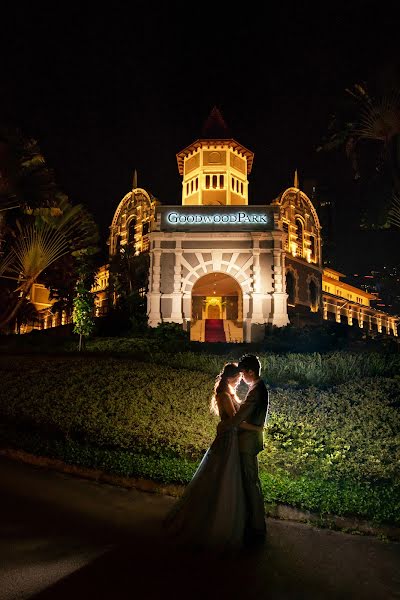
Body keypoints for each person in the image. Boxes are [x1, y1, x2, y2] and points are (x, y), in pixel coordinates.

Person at [163, 362, 263, 553]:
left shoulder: (230, 393)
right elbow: (235, 422)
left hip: (231, 437)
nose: (240, 381)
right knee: (222, 474)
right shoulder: (224, 395)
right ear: (231, 378)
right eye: (238, 378)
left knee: (224, 474)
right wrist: (257, 428)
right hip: (228, 438)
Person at [217, 353, 269, 546]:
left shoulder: (256, 390)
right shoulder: (257, 388)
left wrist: (226, 425)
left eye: (243, 374)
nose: (242, 378)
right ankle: (254, 524)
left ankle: (256, 527)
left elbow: (239, 419)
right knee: (250, 482)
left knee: (250, 484)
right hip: (249, 441)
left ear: (250, 371)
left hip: (247, 443)